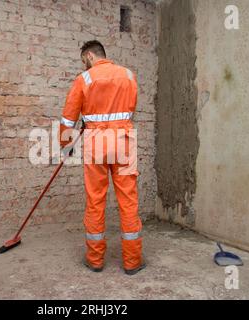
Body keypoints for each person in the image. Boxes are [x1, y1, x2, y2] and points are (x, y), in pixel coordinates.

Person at [59, 40, 145, 275]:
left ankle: (95, 260)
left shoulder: (84, 79)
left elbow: (68, 119)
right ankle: (132, 261)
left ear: (89, 55)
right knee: (128, 201)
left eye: (83, 60)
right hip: (124, 143)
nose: (84, 65)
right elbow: (130, 109)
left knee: (95, 200)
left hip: (96, 145)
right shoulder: (128, 75)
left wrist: (66, 145)